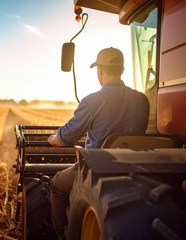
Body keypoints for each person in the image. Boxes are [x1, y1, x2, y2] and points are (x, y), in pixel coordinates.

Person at [47, 47, 150, 239]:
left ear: (99, 70)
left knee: (56, 186)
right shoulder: (142, 100)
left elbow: (66, 137)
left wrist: (53, 138)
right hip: (136, 165)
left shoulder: (92, 101)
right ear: (122, 70)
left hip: (98, 168)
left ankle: (61, 233)